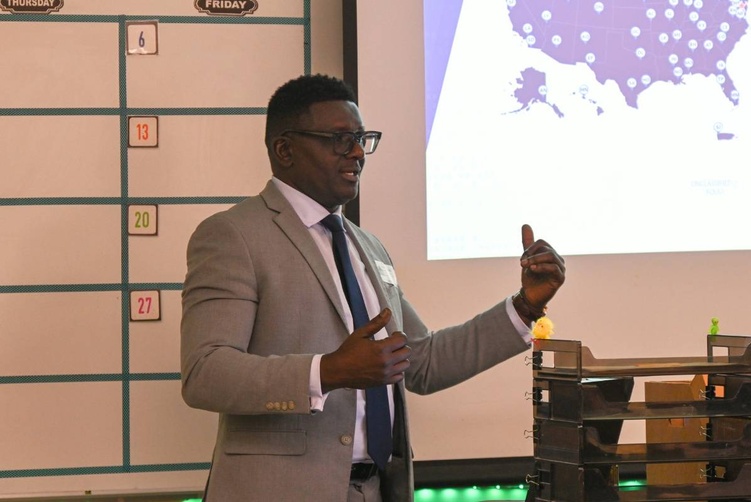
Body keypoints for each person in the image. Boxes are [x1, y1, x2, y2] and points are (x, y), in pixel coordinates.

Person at [180, 74, 566, 502]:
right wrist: (327, 372)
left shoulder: (368, 247)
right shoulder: (233, 236)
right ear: (285, 149)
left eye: (363, 138)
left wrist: (524, 306)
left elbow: (422, 362)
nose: (359, 153)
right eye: (339, 139)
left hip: (378, 489)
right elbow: (205, 373)